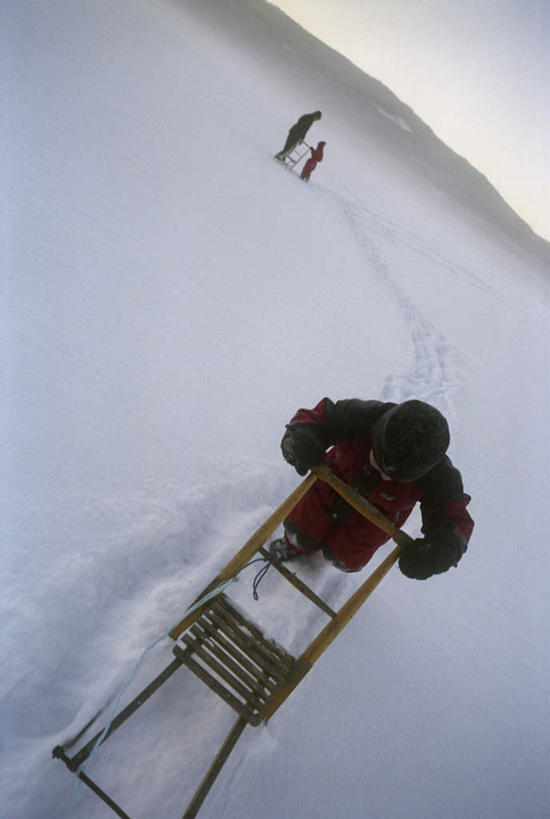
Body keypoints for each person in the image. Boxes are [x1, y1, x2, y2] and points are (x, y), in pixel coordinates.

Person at [270, 397, 474, 580]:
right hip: (332, 481)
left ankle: (334, 557)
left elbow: (455, 521)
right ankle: (294, 545)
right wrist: (300, 440)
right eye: (377, 459)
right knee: (302, 527)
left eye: (394, 476)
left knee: (344, 556)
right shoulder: (362, 416)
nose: (383, 474)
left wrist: (438, 553)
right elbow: (319, 418)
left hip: (378, 515)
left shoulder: (438, 476)